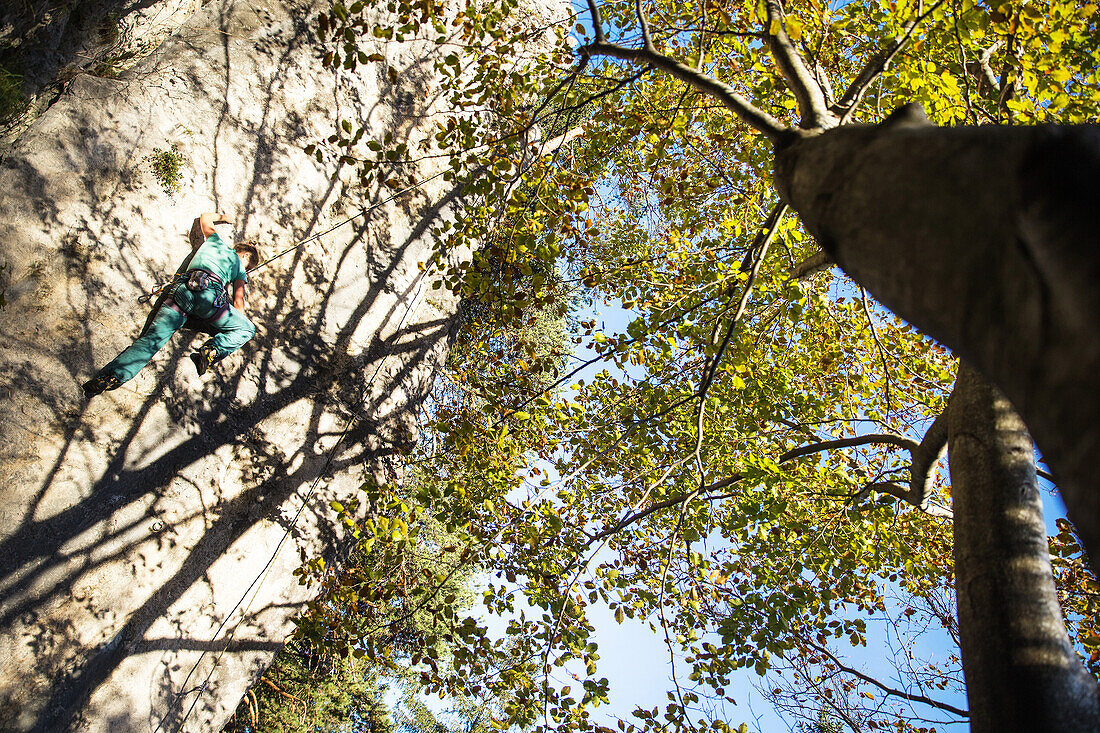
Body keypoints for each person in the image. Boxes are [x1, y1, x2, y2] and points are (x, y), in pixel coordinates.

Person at [82, 212, 260, 398]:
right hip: (208, 298)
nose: (245, 269)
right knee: (246, 329)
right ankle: (212, 350)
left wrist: (223, 217)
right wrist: (234, 322)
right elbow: (239, 301)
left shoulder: (214, 240)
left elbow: (205, 217)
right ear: (245, 255)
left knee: (150, 342)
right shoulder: (239, 266)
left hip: (181, 292)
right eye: (248, 265)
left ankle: (111, 376)